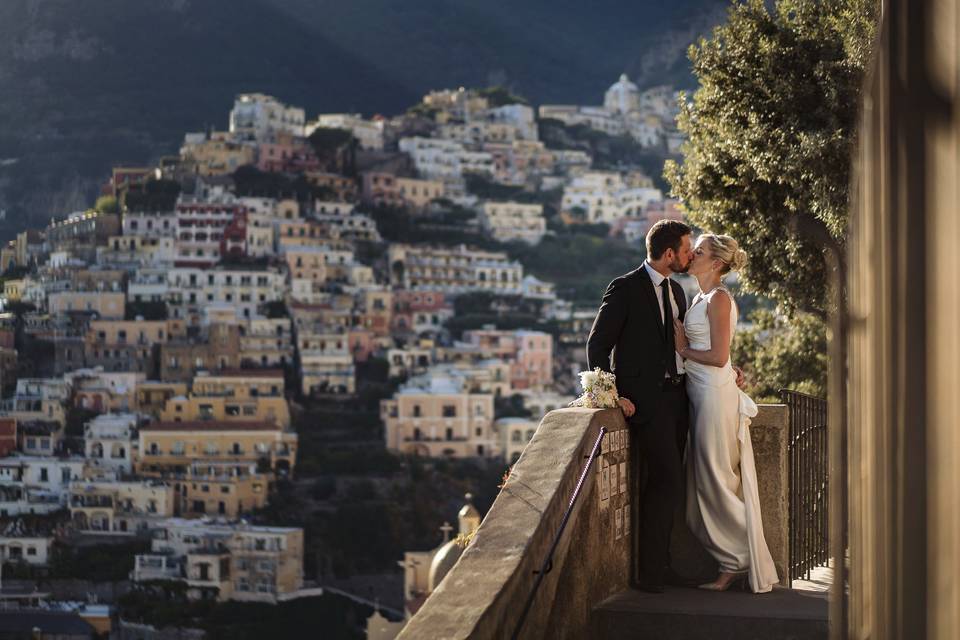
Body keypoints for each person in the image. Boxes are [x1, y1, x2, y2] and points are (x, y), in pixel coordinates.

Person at [586, 219, 695, 593]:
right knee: (667, 479)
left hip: (678, 401)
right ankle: (651, 573)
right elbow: (597, 346)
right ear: (668, 254)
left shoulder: (679, 292)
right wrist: (614, 397)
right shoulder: (625, 288)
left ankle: (661, 566)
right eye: (685, 250)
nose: (690, 255)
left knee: (667, 483)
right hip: (645, 405)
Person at [673, 233, 779, 593]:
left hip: (714, 397)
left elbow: (717, 356)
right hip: (701, 393)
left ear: (716, 264)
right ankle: (733, 558)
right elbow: (722, 356)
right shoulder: (698, 297)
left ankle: (737, 560)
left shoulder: (718, 299)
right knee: (699, 488)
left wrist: (684, 349)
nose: (691, 255)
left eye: (698, 251)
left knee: (716, 480)